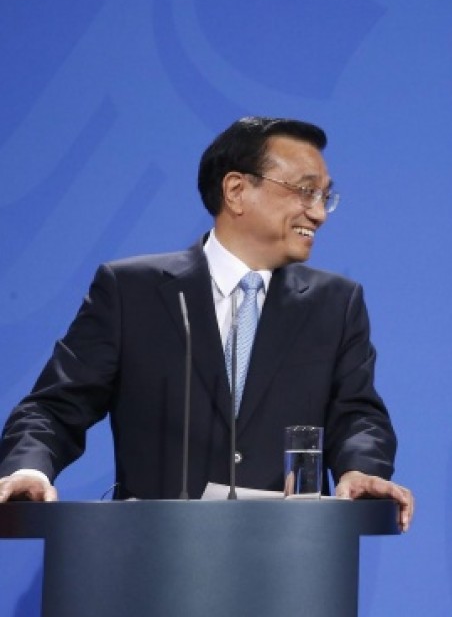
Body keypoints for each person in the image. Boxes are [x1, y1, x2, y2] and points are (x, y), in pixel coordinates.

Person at [0, 116, 413, 531]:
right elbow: (53, 408)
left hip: (291, 560)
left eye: (326, 195)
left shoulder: (335, 303)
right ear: (236, 190)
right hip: (153, 556)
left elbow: (358, 414)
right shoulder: (132, 292)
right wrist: (28, 470)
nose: (319, 212)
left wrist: (359, 469)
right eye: (305, 191)